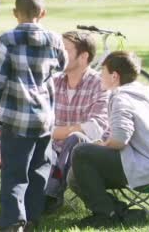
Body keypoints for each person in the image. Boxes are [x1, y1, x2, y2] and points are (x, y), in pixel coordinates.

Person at [0, 0, 67, 232]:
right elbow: (62, 65)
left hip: (16, 119)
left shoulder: (7, 40)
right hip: (45, 119)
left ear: (15, 13)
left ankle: (12, 222)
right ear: (43, 13)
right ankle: (31, 219)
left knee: (14, 172)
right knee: (39, 171)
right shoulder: (55, 40)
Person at [68, 51, 149, 228]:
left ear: (114, 76)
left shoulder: (121, 98)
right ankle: (123, 213)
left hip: (145, 168)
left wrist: (101, 144)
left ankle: (105, 215)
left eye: (102, 71)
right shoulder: (148, 95)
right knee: (74, 176)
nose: (99, 75)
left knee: (81, 152)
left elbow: (119, 140)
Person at [44, 31, 109, 213]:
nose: (57, 55)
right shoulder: (53, 82)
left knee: (75, 138)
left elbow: (95, 128)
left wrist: (56, 132)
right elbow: (41, 122)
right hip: (52, 150)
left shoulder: (100, 84)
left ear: (84, 56)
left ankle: (51, 196)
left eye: (64, 50)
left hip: (86, 152)